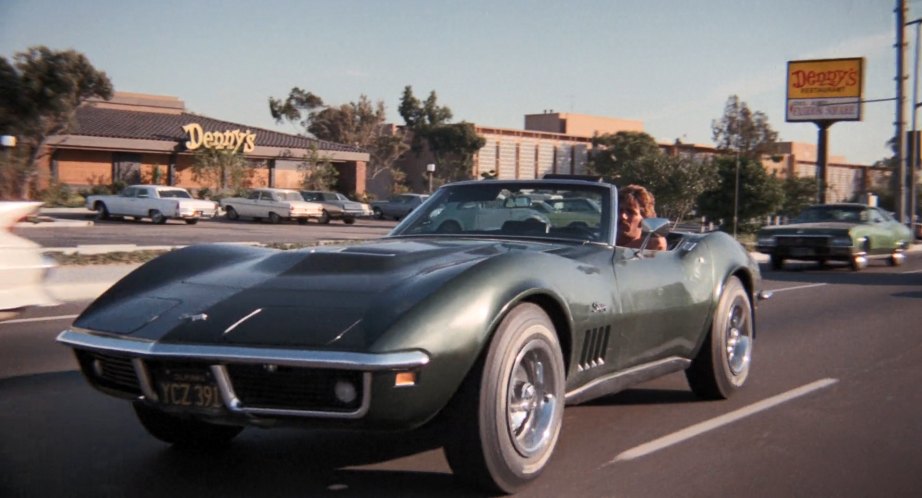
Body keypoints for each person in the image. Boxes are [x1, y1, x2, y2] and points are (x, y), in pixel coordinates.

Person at [617, 184, 667, 250]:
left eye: (630, 212)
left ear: (645, 219)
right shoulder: (602, 238)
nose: (623, 216)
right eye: (619, 210)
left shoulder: (648, 248)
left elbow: (658, 241)